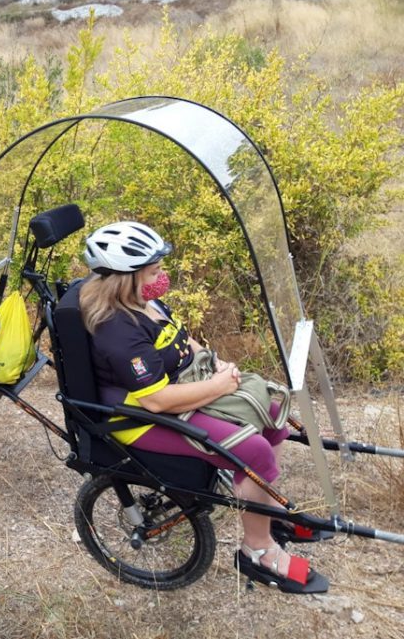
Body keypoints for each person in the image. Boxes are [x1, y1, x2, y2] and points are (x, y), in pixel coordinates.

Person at [79, 220, 328, 594]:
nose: (162, 276)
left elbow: (182, 337)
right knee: (254, 452)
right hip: (141, 417)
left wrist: (213, 362)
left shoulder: (143, 301)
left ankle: (260, 510)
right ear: (125, 278)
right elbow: (154, 399)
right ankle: (256, 551)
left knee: (272, 418)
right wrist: (215, 387)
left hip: (180, 389)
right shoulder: (118, 329)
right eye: (155, 271)